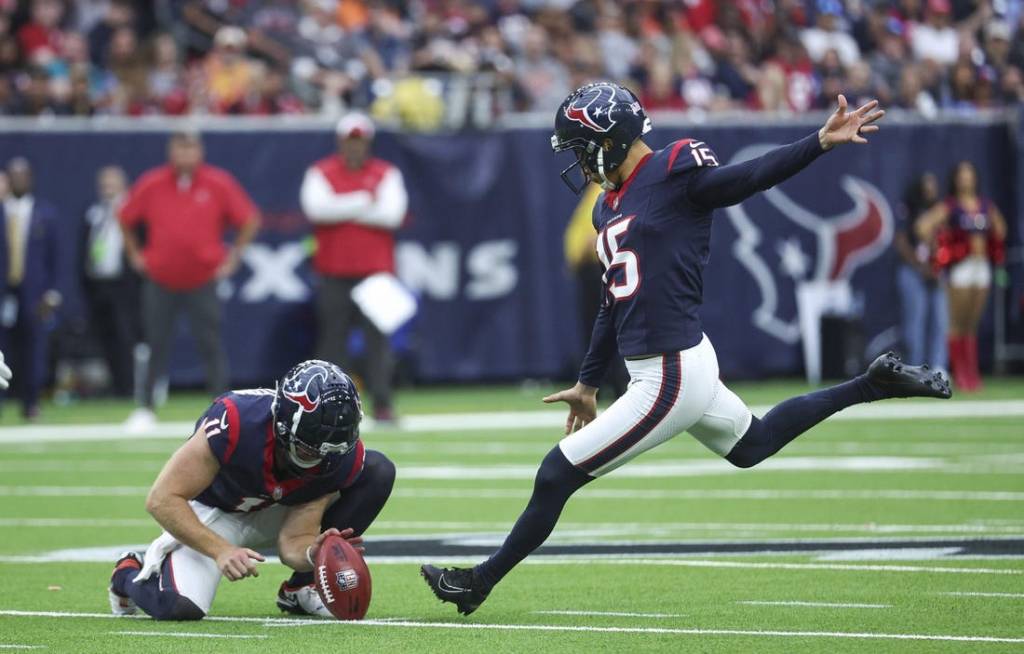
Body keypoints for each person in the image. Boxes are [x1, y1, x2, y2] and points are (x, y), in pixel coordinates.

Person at [421, 83, 952, 615]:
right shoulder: (607, 207)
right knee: (753, 444)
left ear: (610, 140)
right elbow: (613, 300)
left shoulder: (674, 171)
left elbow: (745, 178)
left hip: (669, 373)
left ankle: (479, 582)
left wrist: (818, 142)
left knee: (555, 474)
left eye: (583, 148)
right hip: (676, 365)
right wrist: (587, 383)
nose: (581, 164)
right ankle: (872, 382)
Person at [107, 359, 396, 620]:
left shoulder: (334, 454)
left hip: (274, 508)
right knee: (178, 606)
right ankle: (127, 572)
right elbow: (162, 499)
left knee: (376, 471)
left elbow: (294, 539)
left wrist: (314, 555)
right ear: (284, 425)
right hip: (216, 513)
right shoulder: (236, 421)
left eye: (331, 449)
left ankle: (302, 587)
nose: (320, 457)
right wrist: (221, 550)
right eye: (310, 448)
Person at [119, 130, 260, 432]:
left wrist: (234, 256)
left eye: (190, 148)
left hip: (202, 279)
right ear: (171, 151)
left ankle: (223, 408)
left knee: (210, 343)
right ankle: (146, 406)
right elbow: (125, 217)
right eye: (179, 148)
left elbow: (248, 218)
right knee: (155, 343)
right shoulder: (152, 182)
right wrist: (135, 254)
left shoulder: (218, 182)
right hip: (161, 278)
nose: (185, 154)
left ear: (200, 151)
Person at [300, 112, 408, 423]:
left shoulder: (386, 173)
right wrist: (363, 199)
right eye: (350, 141)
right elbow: (317, 209)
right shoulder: (321, 172)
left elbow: (392, 215)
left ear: (368, 143)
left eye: (360, 141)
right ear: (340, 142)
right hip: (333, 271)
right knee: (332, 344)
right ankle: (325, 410)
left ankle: (383, 405)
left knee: (379, 344)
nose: (355, 147)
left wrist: (341, 205)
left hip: (376, 272)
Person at [915, 161, 1007, 391]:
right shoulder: (951, 205)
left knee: (972, 324)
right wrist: (938, 247)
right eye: (962, 175)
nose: (966, 180)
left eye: (969, 175)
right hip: (961, 267)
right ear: (955, 179)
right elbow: (923, 227)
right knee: (957, 322)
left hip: (981, 265)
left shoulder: (985, 205)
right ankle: (961, 375)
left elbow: (1001, 229)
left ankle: (972, 374)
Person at [0, 158, 63, 420]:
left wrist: (52, 293)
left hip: (33, 293)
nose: (18, 180)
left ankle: (31, 403)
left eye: (23, 175)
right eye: (13, 175)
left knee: (33, 349)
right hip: (4, 291)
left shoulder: (45, 213)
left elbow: (56, 256)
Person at [81, 165, 140, 397]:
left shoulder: (133, 211)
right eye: (104, 184)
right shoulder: (94, 212)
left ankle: (130, 387)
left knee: (126, 337)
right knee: (105, 338)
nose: (107, 189)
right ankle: (116, 386)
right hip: (98, 283)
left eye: (112, 183)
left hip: (123, 285)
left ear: (123, 185)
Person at [894, 173, 947, 371]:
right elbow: (901, 240)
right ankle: (914, 367)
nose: (931, 188)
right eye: (927, 183)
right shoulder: (908, 208)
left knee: (940, 319)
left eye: (934, 183)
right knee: (914, 321)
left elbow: (945, 239)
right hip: (913, 270)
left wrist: (937, 263)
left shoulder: (941, 209)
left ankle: (938, 365)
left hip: (936, 270)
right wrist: (919, 265)